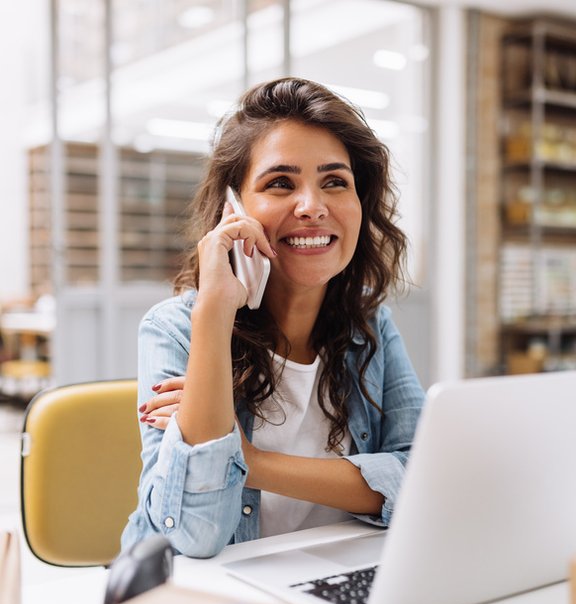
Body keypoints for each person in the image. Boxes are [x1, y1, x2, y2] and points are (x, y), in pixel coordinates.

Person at [121, 77, 425, 558]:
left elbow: (423, 482)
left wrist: (250, 461)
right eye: (281, 183)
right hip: (207, 600)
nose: (313, 206)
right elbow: (194, 537)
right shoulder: (177, 328)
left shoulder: (369, 325)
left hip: (330, 579)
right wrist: (215, 312)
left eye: (335, 182)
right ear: (233, 209)